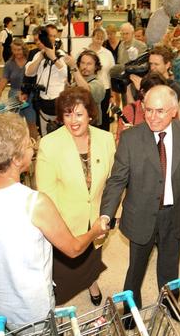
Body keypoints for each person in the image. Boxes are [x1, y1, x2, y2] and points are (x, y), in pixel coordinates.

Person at [0, 113, 109, 331]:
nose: (33, 146)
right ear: (15, 158)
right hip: (27, 308)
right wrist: (94, 230)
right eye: (28, 143)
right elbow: (73, 249)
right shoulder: (34, 203)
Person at [100, 85, 180, 313]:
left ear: (173, 111)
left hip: (175, 214)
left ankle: (169, 306)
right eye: (148, 110)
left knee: (170, 267)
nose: (152, 116)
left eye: (159, 111)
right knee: (135, 269)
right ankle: (130, 309)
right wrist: (106, 213)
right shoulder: (130, 138)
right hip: (140, 216)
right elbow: (117, 180)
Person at [35, 87, 116, 306]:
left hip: (97, 217)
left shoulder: (106, 139)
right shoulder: (49, 144)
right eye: (67, 114)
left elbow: (112, 182)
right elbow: (45, 193)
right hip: (65, 221)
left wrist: (109, 212)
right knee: (64, 271)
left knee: (92, 257)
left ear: (91, 113)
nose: (73, 121)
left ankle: (91, 281)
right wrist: (58, 225)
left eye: (79, 114)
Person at [24, 24, 68, 136]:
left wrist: (53, 57)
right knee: (45, 134)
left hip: (57, 102)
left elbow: (65, 74)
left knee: (59, 134)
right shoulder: (37, 55)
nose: (39, 42)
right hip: (42, 101)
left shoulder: (60, 54)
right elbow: (29, 72)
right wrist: (41, 57)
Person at [0, 38, 38, 139]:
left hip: (29, 95)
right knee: (15, 125)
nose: (17, 52)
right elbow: (4, 78)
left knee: (31, 123)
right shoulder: (9, 64)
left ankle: (35, 146)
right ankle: (17, 147)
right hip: (14, 95)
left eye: (19, 50)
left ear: (23, 49)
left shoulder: (30, 61)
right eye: (14, 50)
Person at [116, 72, 168, 142]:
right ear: (143, 92)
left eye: (161, 94)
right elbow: (118, 144)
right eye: (153, 94)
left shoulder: (169, 109)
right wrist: (126, 137)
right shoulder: (130, 111)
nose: (157, 98)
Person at [64, 50, 106, 126]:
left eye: (89, 64)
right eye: (82, 63)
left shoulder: (98, 84)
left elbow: (86, 91)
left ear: (96, 67)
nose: (85, 67)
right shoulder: (75, 84)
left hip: (91, 127)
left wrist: (73, 67)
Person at [87, 28, 116, 131]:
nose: (99, 41)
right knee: (90, 115)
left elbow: (111, 74)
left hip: (105, 89)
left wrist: (112, 94)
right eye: (97, 38)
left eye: (101, 38)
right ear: (92, 37)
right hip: (88, 89)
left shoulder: (107, 54)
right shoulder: (85, 52)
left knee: (104, 117)